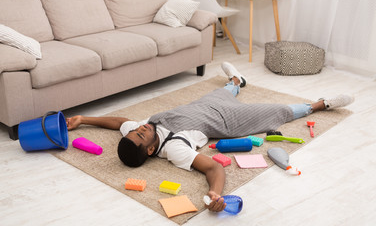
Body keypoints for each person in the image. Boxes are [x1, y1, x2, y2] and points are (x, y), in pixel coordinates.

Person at [66, 62, 354, 212]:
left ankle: (236, 81)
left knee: (222, 91)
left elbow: (117, 121)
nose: (140, 128)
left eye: (138, 130)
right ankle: (320, 104)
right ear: (151, 150)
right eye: (142, 135)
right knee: (273, 112)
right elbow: (213, 167)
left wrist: (83, 119)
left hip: (201, 106)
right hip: (227, 122)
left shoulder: (138, 131)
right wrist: (216, 193)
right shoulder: (176, 150)